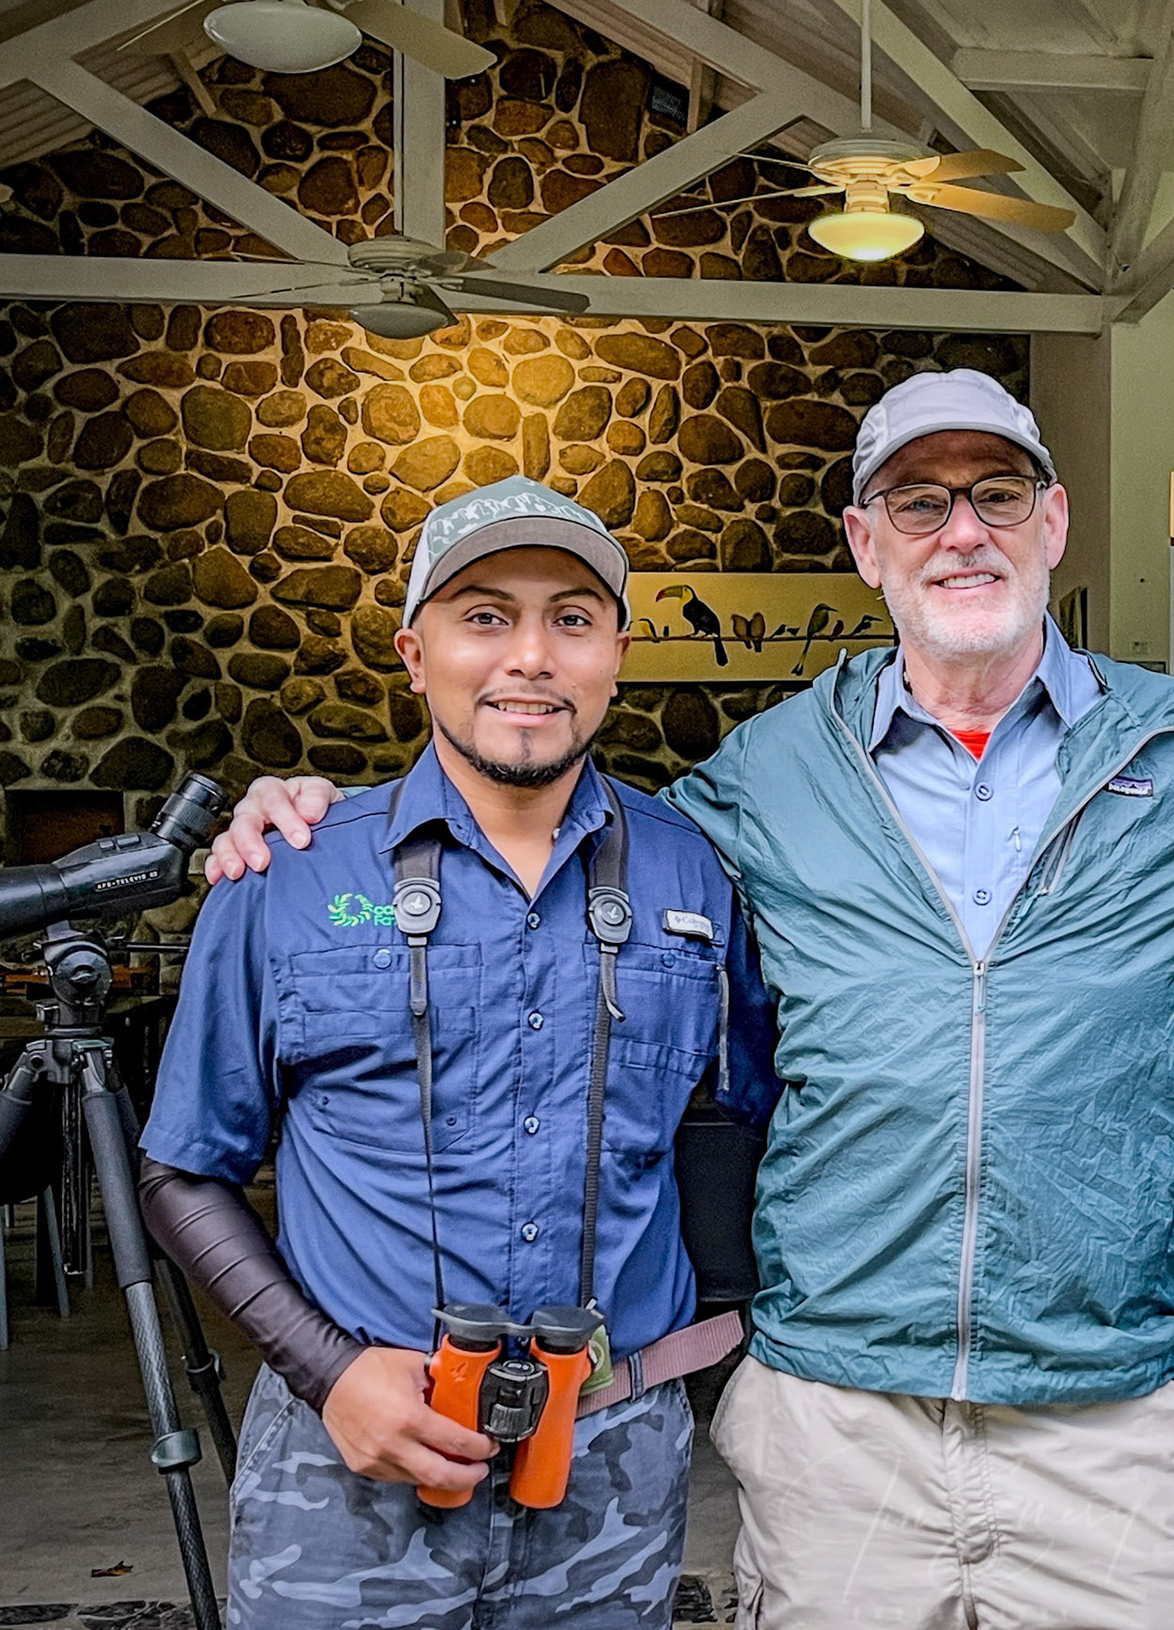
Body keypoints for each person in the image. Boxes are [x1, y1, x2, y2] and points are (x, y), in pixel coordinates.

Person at [206, 373, 1174, 1629]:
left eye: (998, 494)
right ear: (866, 541)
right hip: (834, 1424)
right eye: (921, 502)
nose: (963, 532)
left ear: (1054, 521)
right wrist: (306, 812)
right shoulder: (752, 786)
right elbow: (533, 817)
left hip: (1105, 1424)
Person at [138, 479, 776, 1629]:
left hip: (613, 1464)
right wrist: (331, 1373)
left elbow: (737, 1123)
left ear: (617, 654)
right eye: (485, 614)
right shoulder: (290, 871)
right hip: (349, 1466)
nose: (530, 655)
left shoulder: (702, 875)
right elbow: (184, 1168)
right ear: (414, 650)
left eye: (572, 618)